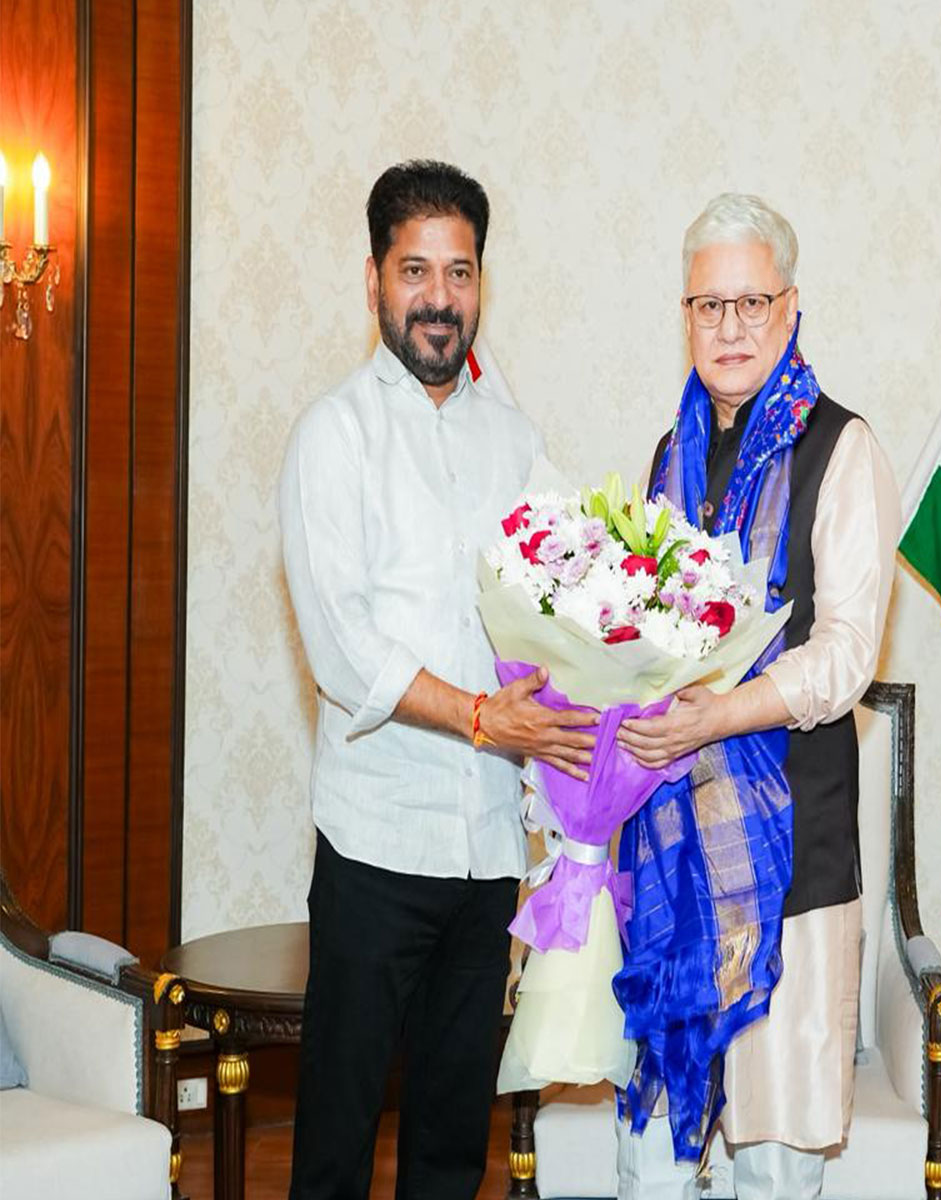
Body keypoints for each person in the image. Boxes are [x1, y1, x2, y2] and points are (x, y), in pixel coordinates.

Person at [279, 159, 599, 1200]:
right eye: (415, 270)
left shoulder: (515, 440)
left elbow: (576, 594)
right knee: (336, 1148)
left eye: (459, 273)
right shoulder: (334, 435)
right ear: (374, 278)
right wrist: (479, 718)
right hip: (377, 846)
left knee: (453, 1151)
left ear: (480, 286)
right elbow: (342, 650)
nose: (438, 298)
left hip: (487, 857)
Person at [609, 193, 899, 1200]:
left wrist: (724, 713)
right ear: (686, 316)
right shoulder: (669, 456)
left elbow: (846, 655)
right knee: (653, 1169)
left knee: (773, 1169)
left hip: (788, 872)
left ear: (790, 307)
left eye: (751, 303)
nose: (729, 328)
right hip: (670, 865)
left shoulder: (841, 449)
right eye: (708, 306)